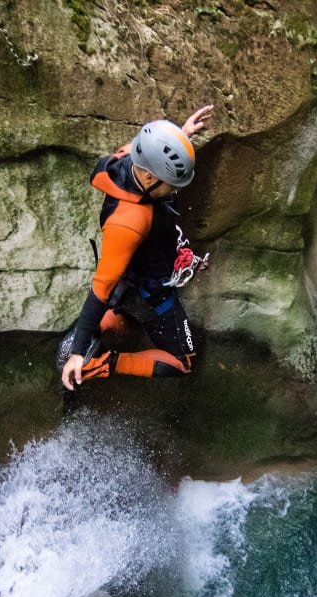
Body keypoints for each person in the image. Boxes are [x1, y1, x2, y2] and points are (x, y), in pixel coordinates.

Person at [59, 104, 214, 390]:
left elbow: (153, 147)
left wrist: (180, 136)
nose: (176, 190)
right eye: (172, 184)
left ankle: (105, 326)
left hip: (133, 270)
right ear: (150, 178)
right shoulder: (129, 222)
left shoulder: (129, 156)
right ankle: (99, 360)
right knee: (184, 361)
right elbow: (101, 287)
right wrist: (79, 352)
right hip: (149, 288)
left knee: (125, 313)